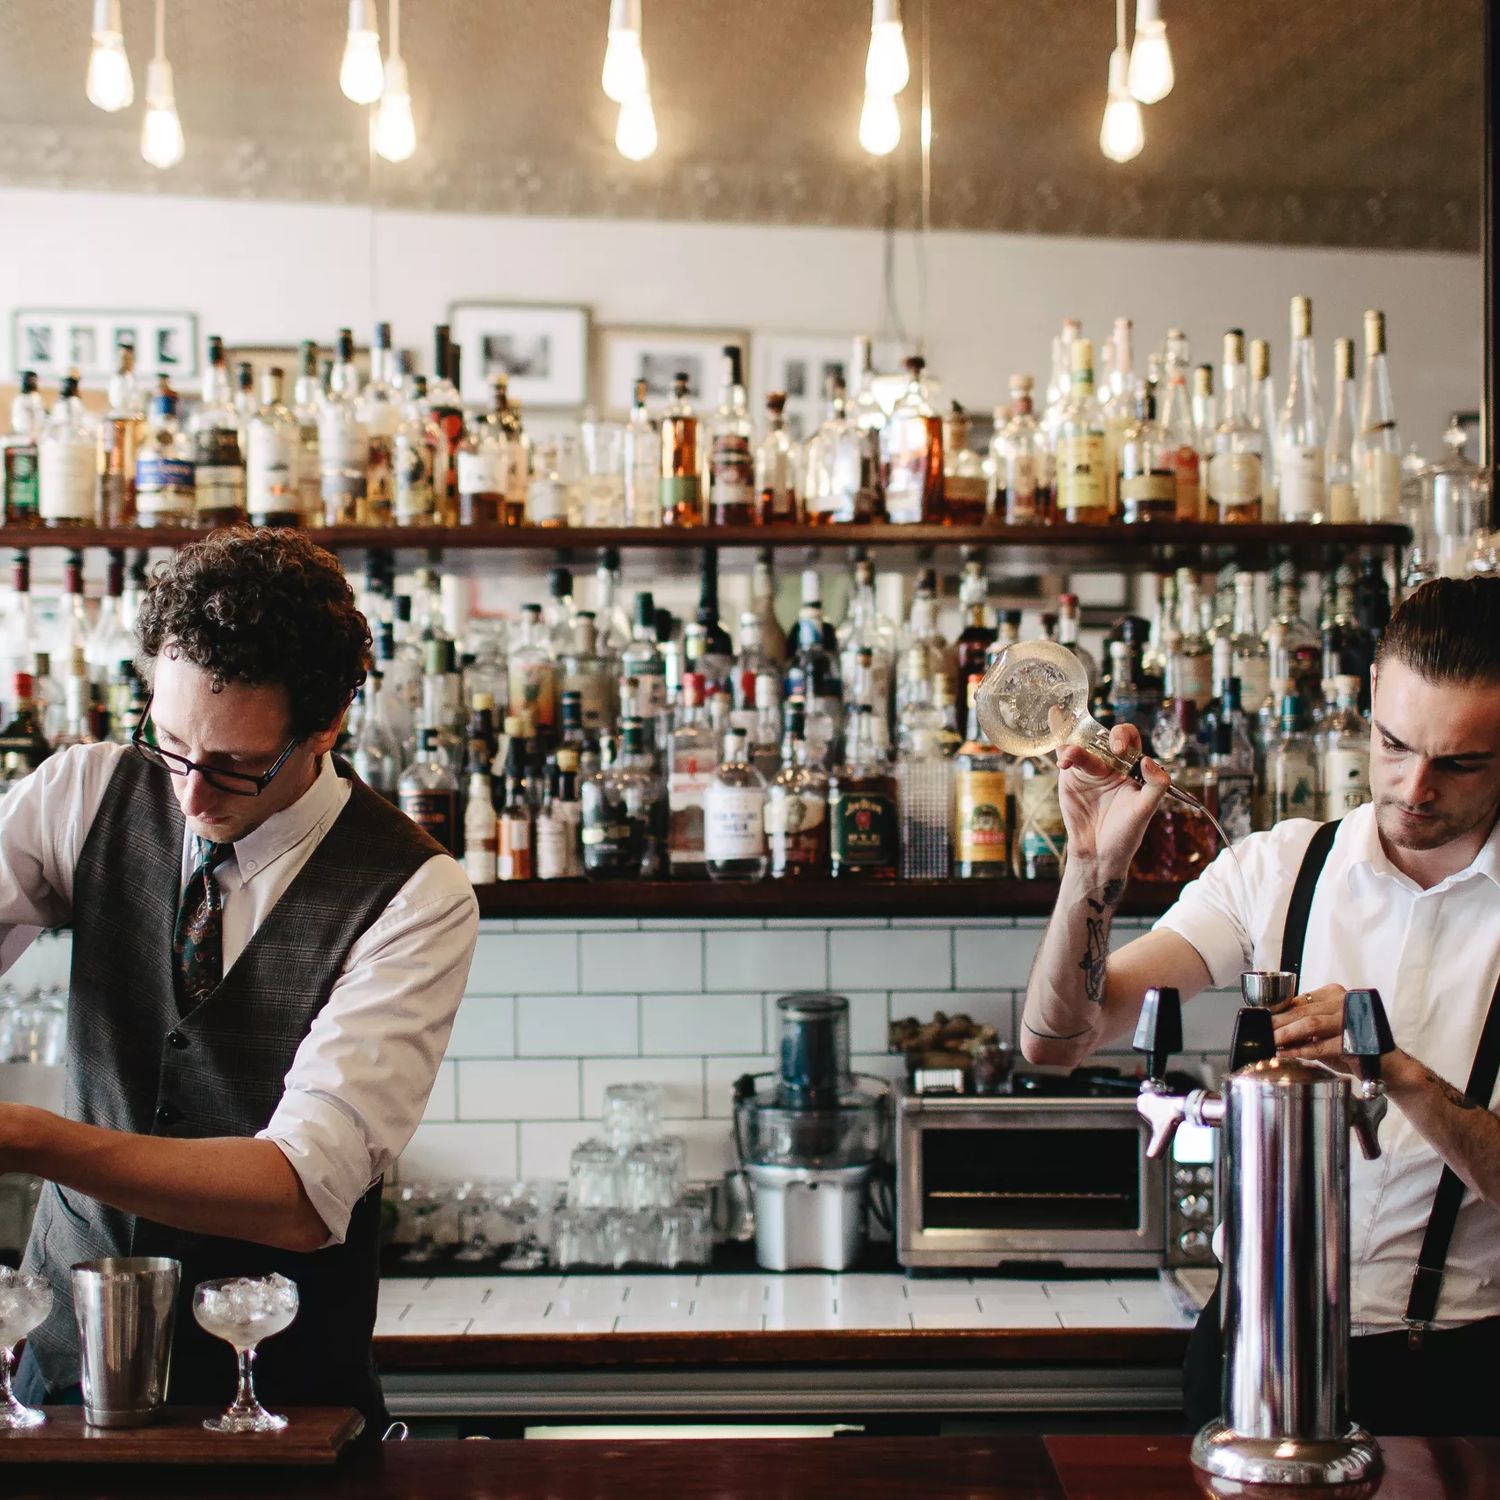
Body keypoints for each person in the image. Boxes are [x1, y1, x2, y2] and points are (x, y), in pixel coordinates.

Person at [0, 529, 478, 1432]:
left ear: (326, 725)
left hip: (279, 1417)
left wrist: (30, 1137)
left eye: (234, 765)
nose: (189, 796)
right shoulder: (84, 794)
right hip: (60, 1390)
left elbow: (298, 1194)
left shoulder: (416, 894)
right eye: (171, 742)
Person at [1021, 575, 1500, 1437]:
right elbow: (1060, 1038)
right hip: (1251, 1354)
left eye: (1460, 762)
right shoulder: (1278, 871)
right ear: (1367, 711)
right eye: (1393, 745)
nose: (1416, 786)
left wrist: (1397, 1076)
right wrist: (1090, 875)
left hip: (1458, 1379)